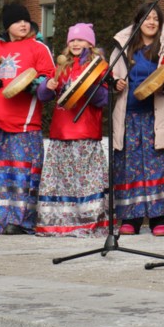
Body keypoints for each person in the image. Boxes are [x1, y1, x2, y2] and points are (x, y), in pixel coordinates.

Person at [0, 3, 55, 235]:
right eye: (17, 21)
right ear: (8, 26)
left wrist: (31, 86)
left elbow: (51, 82)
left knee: (21, 172)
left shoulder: (39, 48)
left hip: (25, 124)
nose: (23, 24)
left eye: (26, 20)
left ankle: (19, 221)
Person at [110, 2, 164, 236]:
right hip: (128, 117)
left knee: (158, 168)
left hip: (156, 117)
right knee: (129, 169)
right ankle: (131, 219)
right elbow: (109, 79)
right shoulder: (123, 48)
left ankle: (160, 219)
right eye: (147, 18)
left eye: (156, 19)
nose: (151, 22)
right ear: (137, 21)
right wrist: (114, 84)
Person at [34, 23, 109, 237]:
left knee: (84, 180)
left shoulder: (98, 66)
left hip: (85, 132)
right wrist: (46, 86)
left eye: (81, 39)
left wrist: (87, 86)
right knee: (60, 181)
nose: (76, 43)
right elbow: (44, 96)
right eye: (72, 40)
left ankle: (87, 222)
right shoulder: (62, 65)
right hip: (61, 131)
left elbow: (103, 98)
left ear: (90, 43)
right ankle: (58, 223)